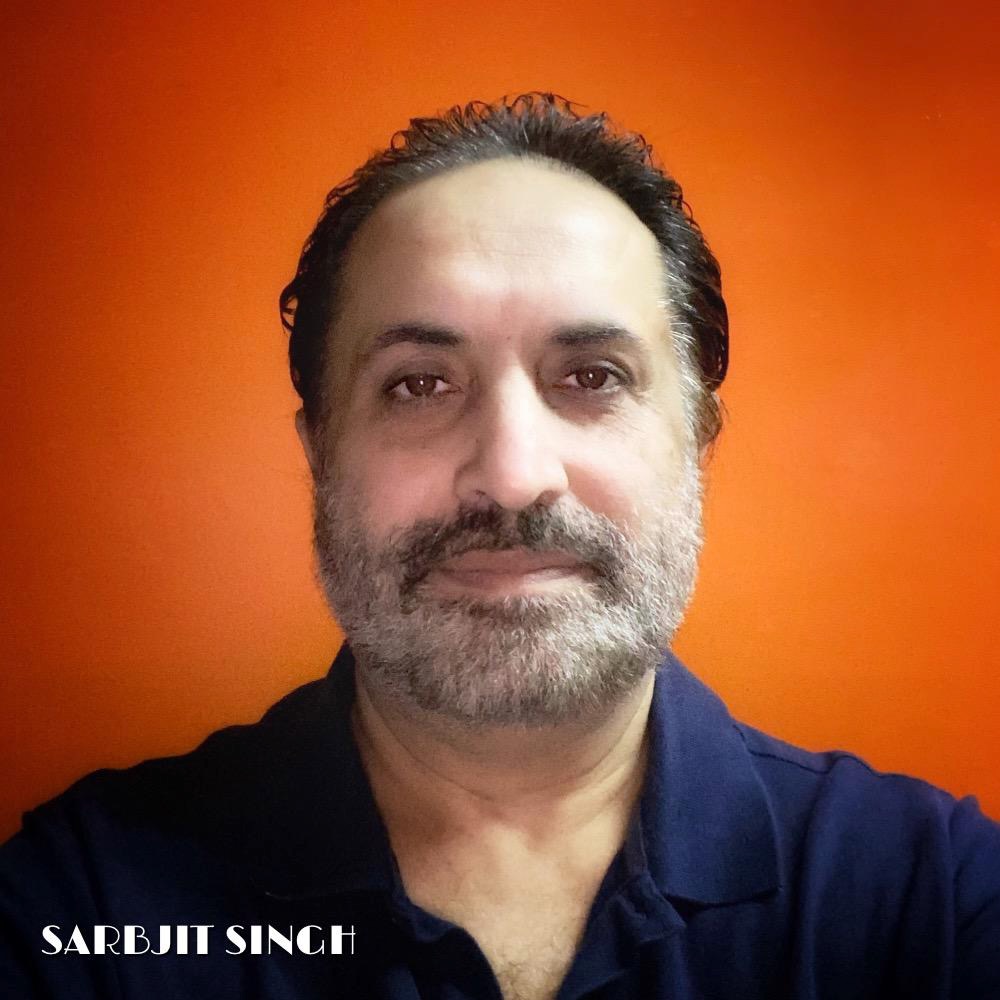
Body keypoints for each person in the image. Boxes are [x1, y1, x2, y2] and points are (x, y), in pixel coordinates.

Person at [1, 93, 997, 1000]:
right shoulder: (86, 904)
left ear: (697, 439)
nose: (514, 475)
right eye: (418, 384)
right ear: (320, 452)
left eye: (592, 376)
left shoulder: (934, 900)